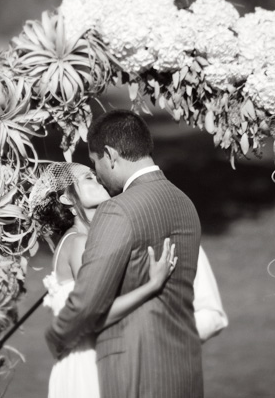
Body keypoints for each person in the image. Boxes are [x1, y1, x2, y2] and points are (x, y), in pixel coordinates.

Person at [45, 109, 204, 398]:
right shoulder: (186, 204)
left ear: (110, 155)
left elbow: (86, 307)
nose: (101, 178)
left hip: (134, 368)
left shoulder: (118, 210)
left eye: (95, 164)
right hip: (184, 367)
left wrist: (55, 336)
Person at [32, 162, 179, 398]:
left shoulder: (75, 240)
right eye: (88, 178)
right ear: (67, 200)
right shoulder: (79, 243)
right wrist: (152, 285)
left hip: (84, 361)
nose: (98, 179)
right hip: (88, 368)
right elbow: (95, 316)